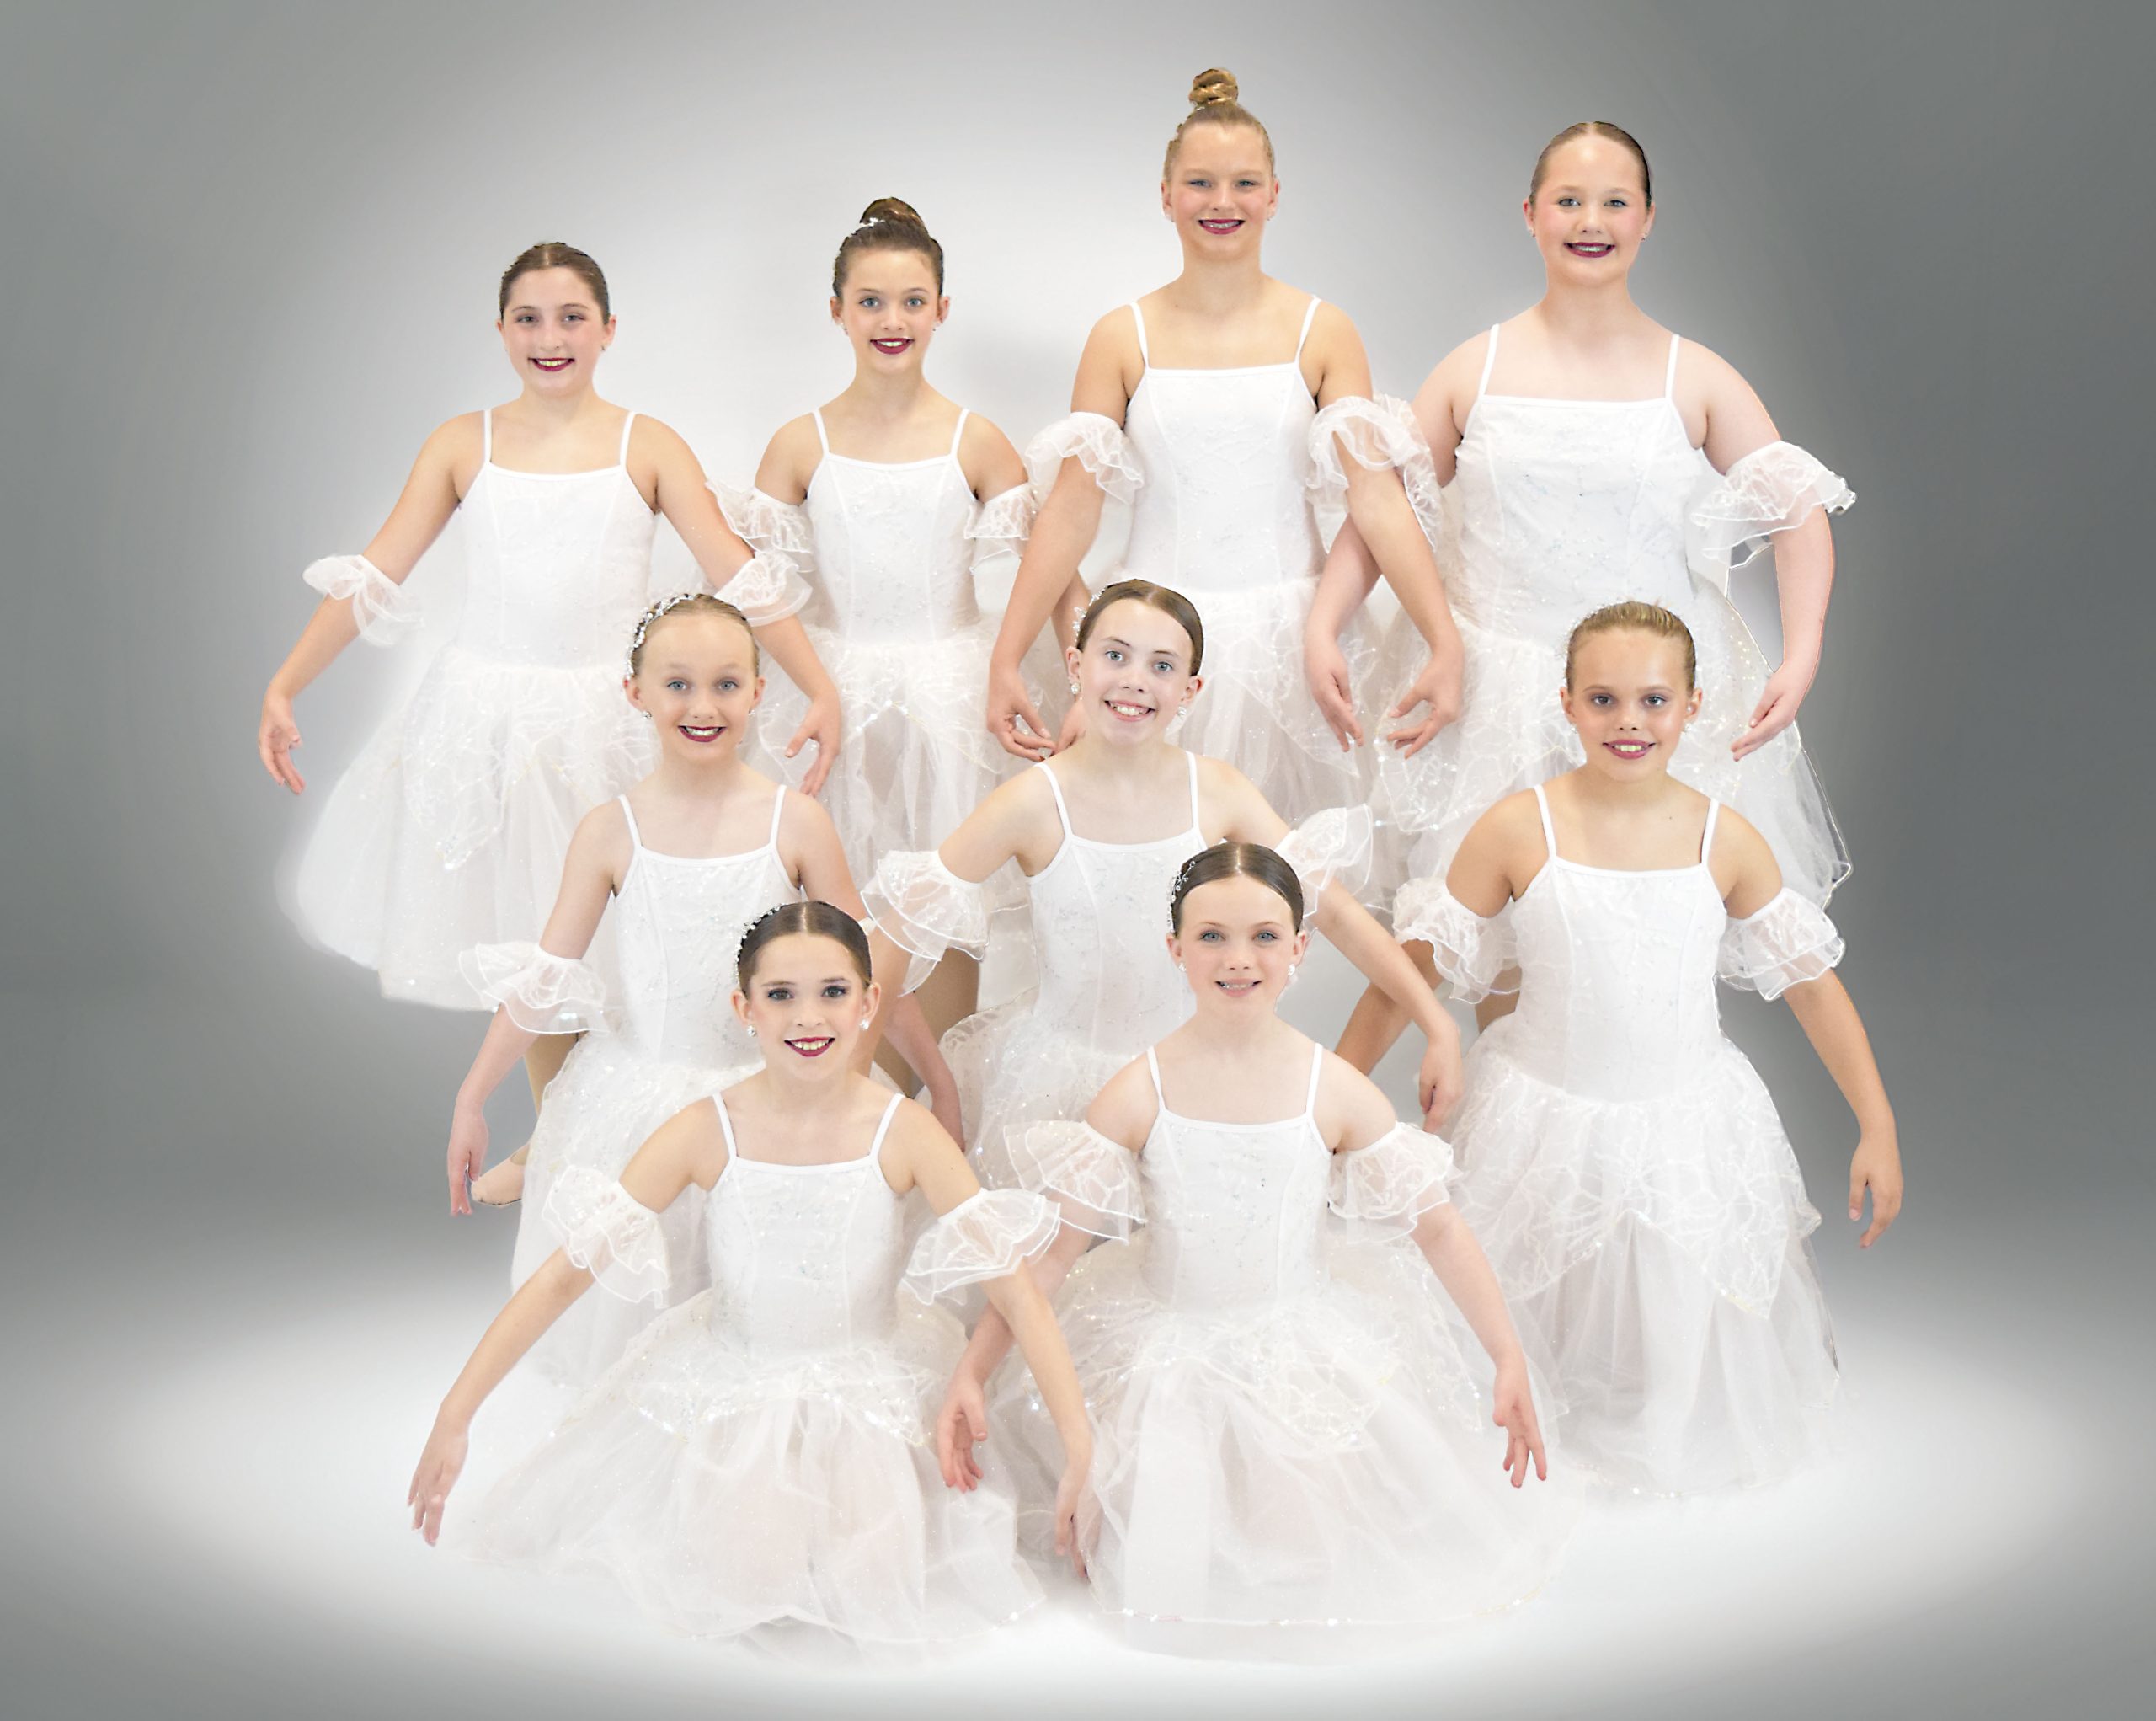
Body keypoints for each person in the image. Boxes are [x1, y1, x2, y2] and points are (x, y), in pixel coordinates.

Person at [407, 902, 1091, 1651]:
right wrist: (455, 1413)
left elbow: (1017, 1290)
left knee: (872, 1587)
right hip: (737, 1387)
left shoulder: (904, 1131)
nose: (809, 1016)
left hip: (868, 1391)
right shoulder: (706, 1129)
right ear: (744, 1008)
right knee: (750, 1585)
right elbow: (562, 1279)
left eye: (833, 992)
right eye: (781, 994)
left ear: (869, 1002)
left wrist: (1078, 1445)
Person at [940, 843, 1576, 1647]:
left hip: (1294, 1344)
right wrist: (972, 1370)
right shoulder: (1139, 1089)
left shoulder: (1331, 1087)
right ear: (1174, 948)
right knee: (1161, 1559)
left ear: (1300, 948)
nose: (1238, 958)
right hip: (1168, 1349)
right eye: (1211, 936)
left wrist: (1506, 1353)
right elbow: (1052, 1259)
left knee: (1295, 1556)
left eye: (1265, 937)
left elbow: (1439, 1226)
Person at [1322, 123, 1854, 1066]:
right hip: (1493, 692)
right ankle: (1504, 1133)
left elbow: (1798, 512)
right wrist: (1327, 622)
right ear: (1530, 215)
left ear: (1648, 219)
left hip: (1645, 696)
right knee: (1493, 947)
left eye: (1614, 202)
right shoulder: (1475, 369)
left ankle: (1621, 1118)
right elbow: (1383, 512)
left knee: (1634, 939)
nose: (1590, 220)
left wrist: (1803, 651)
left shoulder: (1694, 375)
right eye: (1568, 201)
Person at [1397, 601, 1900, 1491]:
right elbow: (1411, 972)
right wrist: (1335, 1094)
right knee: (1526, 1282)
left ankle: (1657, 1427)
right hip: (1541, 1110)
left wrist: (1877, 1124)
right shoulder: (1517, 827)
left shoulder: (1725, 839)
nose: (1628, 720)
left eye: (1653, 700)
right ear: (1566, 703)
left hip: (1686, 1117)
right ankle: (1528, 1423)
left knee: (1674, 1295)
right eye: (1603, 699)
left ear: (1691, 706)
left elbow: (1813, 987)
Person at [870, 581, 1463, 1193]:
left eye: (1161, 666)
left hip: (1194, 1078)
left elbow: (1335, 913)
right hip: (1057, 1088)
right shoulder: (1030, 803)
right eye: (1115, 656)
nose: (1135, 681)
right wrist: (917, 1083)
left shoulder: (1218, 792)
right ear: (1076, 666)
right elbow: (898, 932)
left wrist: (1435, 1022)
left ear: (1190, 691)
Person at [984, 69, 1459, 826]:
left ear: (1274, 195)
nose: (1222, 202)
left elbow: (1376, 498)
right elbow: (1072, 510)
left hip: (1292, 639)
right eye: (1200, 183)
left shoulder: (1322, 331)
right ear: (1166, 194)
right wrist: (1007, 656)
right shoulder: (1122, 336)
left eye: (1244, 183)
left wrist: (1442, 640)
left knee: (1281, 862)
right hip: (1153, 636)